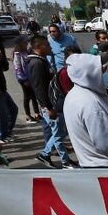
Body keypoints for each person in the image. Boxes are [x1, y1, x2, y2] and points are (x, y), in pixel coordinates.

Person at [27, 35, 76, 168]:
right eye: (46, 45)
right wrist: (48, 108)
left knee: (60, 132)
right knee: (59, 135)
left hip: (53, 103)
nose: (49, 47)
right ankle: (65, 162)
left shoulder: (42, 61)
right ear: (38, 47)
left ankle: (45, 154)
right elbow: (40, 88)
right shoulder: (36, 64)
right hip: (49, 106)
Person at [12, 38, 40, 122]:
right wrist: (24, 80)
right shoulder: (17, 54)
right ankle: (28, 115)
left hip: (30, 77)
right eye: (25, 43)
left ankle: (37, 113)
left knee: (34, 96)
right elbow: (18, 68)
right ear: (20, 44)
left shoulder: (27, 51)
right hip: (24, 79)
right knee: (27, 97)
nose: (26, 44)